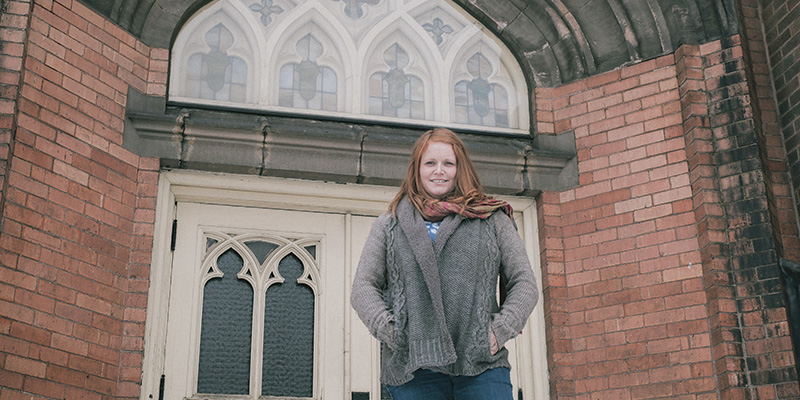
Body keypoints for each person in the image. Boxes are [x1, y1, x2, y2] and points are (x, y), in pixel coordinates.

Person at [350, 128, 539, 400]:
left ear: (460, 169)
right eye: (430, 163)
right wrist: (395, 333)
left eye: (448, 163)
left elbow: (524, 283)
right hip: (414, 370)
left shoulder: (492, 219)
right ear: (417, 169)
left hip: (480, 365)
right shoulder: (389, 225)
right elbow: (363, 288)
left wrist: (498, 332)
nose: (439, 171)